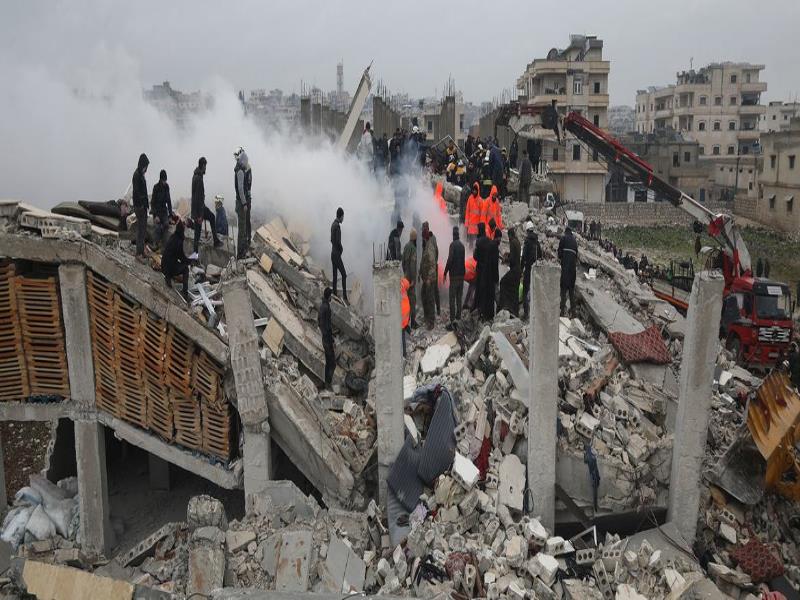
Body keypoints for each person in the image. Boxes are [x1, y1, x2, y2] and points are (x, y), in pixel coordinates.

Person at [191, 156, 221, 258]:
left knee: (211, 217)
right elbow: (196, 198)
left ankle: (216, 241)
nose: (206, 168)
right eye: (205, 166)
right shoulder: (198, 178)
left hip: (200, 208)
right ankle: (195, 256)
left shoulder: (197, 176)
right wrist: (199, 216)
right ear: (203, 165)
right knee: (197, 234)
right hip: (199, 210)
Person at [162, 219, 191, 300]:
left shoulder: (172, 236)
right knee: (186, 269)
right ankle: (185, 293)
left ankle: (168, 277)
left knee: (172, 262)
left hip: (163, 266)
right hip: (169, 268)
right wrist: (190, 260)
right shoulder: (179, 241)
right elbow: (182, 258)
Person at [443, 226, 465, 328]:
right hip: (461, 275)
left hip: (454, 276)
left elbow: (450, 259)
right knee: (459, 298)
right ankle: (459, 318)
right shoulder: (462, 246)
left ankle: (452, 321)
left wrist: (445, 272)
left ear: (453, 235)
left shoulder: (452, 245)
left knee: (452, 298)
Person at [498, 227, 521, 316]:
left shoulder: (512, 242)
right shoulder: (517, 242)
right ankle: (515, 311)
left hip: (514, 269)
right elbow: (515, 255)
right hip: (518, 270)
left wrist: (506, 259)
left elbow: (513, 259)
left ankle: (505, 306)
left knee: (503, 282)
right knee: (514, 290)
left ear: (510, 235)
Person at [234, 147, 252, 259]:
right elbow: (240, 189)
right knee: (241, 229)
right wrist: (245, 203)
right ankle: (240, 254)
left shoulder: (239, 168)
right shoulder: (240, 171)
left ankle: (243, 250)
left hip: (240, 202)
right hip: (241, 204)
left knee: (243, 227)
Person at [521, 221, 542, 318]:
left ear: (527, 231)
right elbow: (541, 256)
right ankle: (534, 313)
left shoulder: (527, 241)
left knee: (525, 291)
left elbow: (524, 256)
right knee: (534, 291)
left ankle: (526, 314)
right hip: (536, 269)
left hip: (528, 268)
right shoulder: (537, 242)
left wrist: (521, 269)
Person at [132, 153, 150, 261]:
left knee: (143, 230)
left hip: (143, 206)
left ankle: (142, 251)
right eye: (146, 166)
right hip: (139, 207)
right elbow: (137, 192)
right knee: (140, 230)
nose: (146, 169)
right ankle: (138, 253)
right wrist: (142, 204)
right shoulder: (137, 175)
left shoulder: (141, 174)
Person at [558, 227, 579, 317]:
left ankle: (562, 311)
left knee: (563, 290)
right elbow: (576, 256)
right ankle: (573, 313)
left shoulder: (563, 238)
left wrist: (562, 258)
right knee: (571, 291)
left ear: (565, 232)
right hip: (572, 271)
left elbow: (559, 253)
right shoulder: (574, 241)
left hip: (565, 269)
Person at [419, 230, 438, 329]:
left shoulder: (429, 247)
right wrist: (420, 272)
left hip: (429, 279)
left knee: (430, 299)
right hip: (426, 278)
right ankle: (427, 317)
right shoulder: (426, 246)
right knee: (424, 296)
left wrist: (429, 279)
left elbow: (432, 264)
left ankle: (431, 322)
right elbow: (423, 262)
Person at [473, 222, 492, 319]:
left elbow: (475, 257)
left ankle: (478, 309)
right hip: (488, 269)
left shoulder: (478, 241)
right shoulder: (489, 240)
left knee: (479, 290)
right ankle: (485, 311)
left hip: (480, 269)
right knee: (486, 290)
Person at [150, 168, 172, 250]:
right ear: (160, 179)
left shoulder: (167, 187)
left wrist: (170, 215)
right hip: (157, 212)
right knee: (158, 227)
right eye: (163, 180)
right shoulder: (156, 187)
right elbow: (152, 203)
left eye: (165, 180)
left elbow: (169, 201)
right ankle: (155, 244)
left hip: (164, 211)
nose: (164, 182)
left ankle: (164, 246)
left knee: (166, 225)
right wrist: (155, 216)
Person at [422, 222, 440, 316]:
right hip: (430, 268)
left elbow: (435, 251)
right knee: (427, 292)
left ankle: (437, 310)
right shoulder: (425, 238)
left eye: (424, 227)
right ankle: (430, 313)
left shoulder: (432, 239)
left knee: (434, 291)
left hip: (432, 268)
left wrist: (434, 263)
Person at [318, 287, 335, 389]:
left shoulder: (323, 306)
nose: (331, 298)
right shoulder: (326, 308)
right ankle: (328, 384)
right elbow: (327, 325)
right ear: (329, 296)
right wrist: (329, 338)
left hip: (325, 338)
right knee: (332, 363)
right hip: (327, 340)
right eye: (331, 296)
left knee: (329, 362)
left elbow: (320, 321)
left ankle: (326, 383)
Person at [330, 207, 347, 303]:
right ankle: (344, 297)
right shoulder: (337, 226)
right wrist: (341, 248)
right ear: (340, 216)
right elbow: (337, 241)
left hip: (332, 253)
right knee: (344, 275)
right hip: (336, 254)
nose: (343, 219)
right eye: (343, 217)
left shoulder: (333, 224)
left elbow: (331, 240)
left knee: (335, 276)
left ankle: (334, 294)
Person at [402, 229, 418, 328]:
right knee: (412, 300)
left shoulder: (406, 246)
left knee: (406, 301)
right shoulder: (413, 248)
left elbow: (403, 262)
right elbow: (412, 265)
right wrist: (413, 280)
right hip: (410, 280)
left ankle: (405, 323)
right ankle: (412, 323)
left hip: (405, 278)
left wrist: (405, 274)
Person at [400, 277, 411, 357]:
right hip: (406, 309)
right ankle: (408, 329)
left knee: (401, 336)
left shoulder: (392, 285)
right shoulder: (403, 281)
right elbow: (408, 285)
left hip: (401, 312)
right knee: (403, 327)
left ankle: (403, 355)